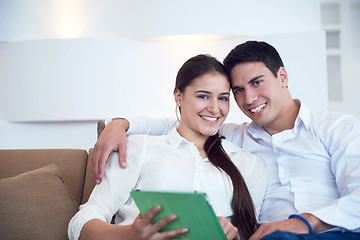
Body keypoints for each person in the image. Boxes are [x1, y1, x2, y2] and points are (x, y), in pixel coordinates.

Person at [91, 41, 360, 240]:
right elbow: (184, 123)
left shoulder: (336, 128)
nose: (250, 98)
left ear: (283, 77)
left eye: (257, 82)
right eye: (239, 90)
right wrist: (121, 124)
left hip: (337, 231)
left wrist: (305, 222)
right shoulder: (234, 137)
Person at [68, 54, 267, 240]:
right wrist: (129, 234)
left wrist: (234, 235)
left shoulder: (248, 164)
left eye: (223, 98)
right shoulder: (139, 148)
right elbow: (81, 222)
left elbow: (253, 232)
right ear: (178, 97)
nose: (215, 108)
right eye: (203, 96)